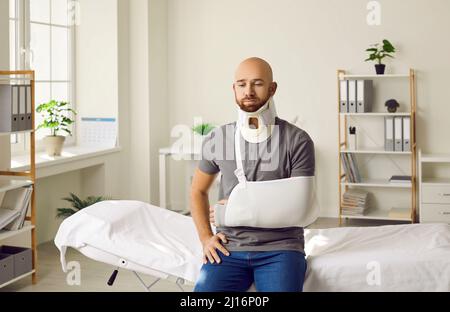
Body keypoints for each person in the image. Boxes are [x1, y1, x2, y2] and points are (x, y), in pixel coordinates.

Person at [190, 57, 315, 292]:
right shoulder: (218, 139)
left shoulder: (297, 140)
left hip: (281, 248)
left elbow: (301, 207)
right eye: (241, 84)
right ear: (234, 89)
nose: (248, 91)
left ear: (272, 88)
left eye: (257, 83)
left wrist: (239, 206)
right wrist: (206, 237)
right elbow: (197, 190)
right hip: (229, 247)